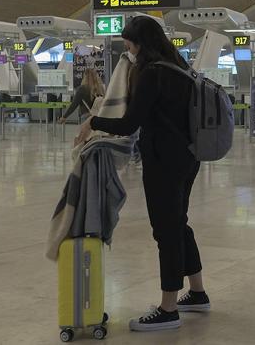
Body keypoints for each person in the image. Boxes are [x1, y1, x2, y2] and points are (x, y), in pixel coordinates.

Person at [75, 16, 208, 332]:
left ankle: (168, 308)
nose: (128, 51)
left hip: (163, 161)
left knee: (166, 231)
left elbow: (128, 124)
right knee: (179, 223)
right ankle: (198, 293)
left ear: (141, 43)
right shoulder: (181, 68)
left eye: (129, 44)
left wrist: (93, 122)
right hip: (189, 158)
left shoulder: (151, 74)